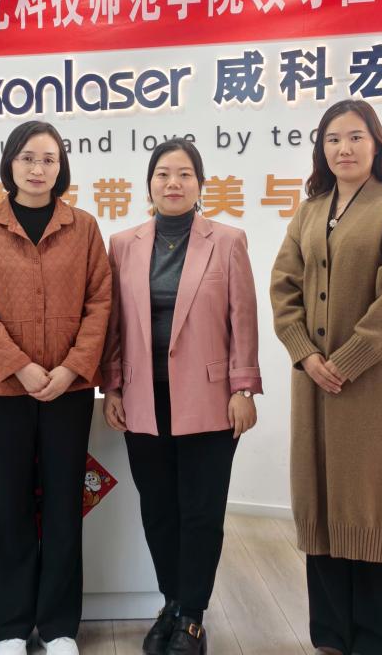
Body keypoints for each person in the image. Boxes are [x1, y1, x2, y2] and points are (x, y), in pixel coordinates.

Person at [270, 99, 382, 655]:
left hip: (375, 387)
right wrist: (305, 353)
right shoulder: (310, 210)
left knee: (372, 504)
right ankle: (332, 637)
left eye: (356, 136)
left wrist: (349, 359)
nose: (344, 148)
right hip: (313, 383)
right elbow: (283, 286)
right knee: (320, 503)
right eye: (333, 138)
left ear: (377, 143)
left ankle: (378, 642)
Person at [101, 138, 262, 655]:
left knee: (201, 512)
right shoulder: (123, 244)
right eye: (163, 174)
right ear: (149, 184)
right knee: (158, 511)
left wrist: (243, 388)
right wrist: (113, 385)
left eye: (185, 174)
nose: (173, 183)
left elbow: (243, 319)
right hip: (144, 399)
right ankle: (171, 603)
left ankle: (192, 615)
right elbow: (113, 324)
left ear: (200, 184)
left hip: (211, 400)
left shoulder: (227, 241)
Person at [0, 120, 111, 655]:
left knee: (66, 505)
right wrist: (19, 366)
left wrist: (71, 369)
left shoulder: (84, 227)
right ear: (10, 163)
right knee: (11, 507)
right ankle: (10, 628)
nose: (37, 168)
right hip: (3, 391)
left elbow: (100, 304)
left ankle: (59, 627)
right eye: (27, 157)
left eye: (48, 159)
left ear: (61, 167)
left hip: (69, 392)